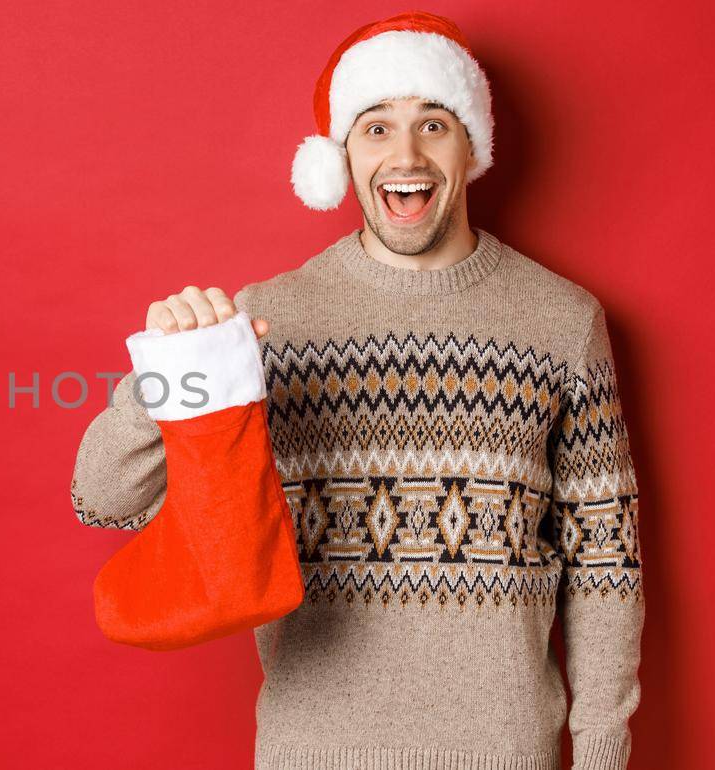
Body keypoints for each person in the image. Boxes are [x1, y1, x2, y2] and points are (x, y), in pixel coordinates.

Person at [69, 11, 644, 770]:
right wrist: (167, 377)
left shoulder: (561, 324)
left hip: (506, 751)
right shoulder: (267, 322)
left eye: (433, 123)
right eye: (376, 127)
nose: (406, 154)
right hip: (312, 752)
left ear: (471, 144)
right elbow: (102, 500)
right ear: (340, 155)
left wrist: (601, 754)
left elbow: (606, 563)